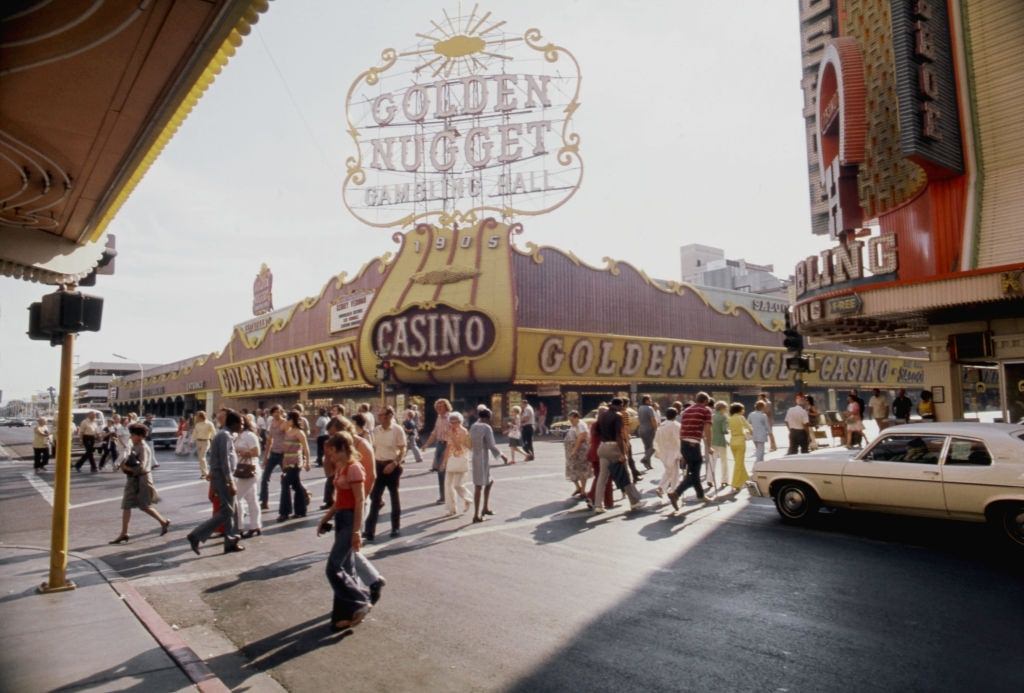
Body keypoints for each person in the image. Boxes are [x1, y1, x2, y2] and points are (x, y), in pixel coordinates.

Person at [317, 432, 374, 630]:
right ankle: (343, 616)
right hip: (341, 517)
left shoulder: (354, 468)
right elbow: (338, 500)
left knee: (333, 567)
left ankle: (361, 599)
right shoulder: (341, 468)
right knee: (346, 568)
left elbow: (359, 501)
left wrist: (357, 531)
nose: (329, 456)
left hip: (350, 519)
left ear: (341, 449)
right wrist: (325, 518)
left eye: (331, 451)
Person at [187, 410, 244, 554]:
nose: (242, 426)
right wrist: (230, 481)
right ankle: (196, 535)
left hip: (222, 477)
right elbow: (224, 461)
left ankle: (231, 541)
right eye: (241, 423)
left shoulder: (227, 435)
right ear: (234, 423)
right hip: (224, 478)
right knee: (227, 512)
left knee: (233, 510)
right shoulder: (224, 436)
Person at [109, 423, 170, 544]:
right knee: (126, 505)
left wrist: (125, 467)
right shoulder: (134, 444)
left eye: (133, 434)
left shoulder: (143, 447)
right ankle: (124, 533)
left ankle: (163, 521)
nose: (131, 436)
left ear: (140, 436)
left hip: (143, 479)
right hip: (132, 479)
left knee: (144, 505)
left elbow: (141, 467)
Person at [593, 398, 645, 513]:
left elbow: (597, 431)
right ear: (619, 405)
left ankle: (598, 505)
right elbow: (619, 436)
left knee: (602, 478)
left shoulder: (602, 415)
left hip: (602, 447)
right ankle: (634, 502)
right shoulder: (618, 416)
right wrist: (623, 453)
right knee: (625, 474)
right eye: (622, 406)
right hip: (614, 447)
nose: (623, 408)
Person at [366, 406, 406, 538]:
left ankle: (395, 528)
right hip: (378, 466)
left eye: (382, 415)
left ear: (389, 416)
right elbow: (373, 448)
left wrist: (394, 463)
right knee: (375, 498)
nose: (379, 417)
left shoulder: (397, 430)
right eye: (379, 415)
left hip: (392, 467)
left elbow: (402, 449)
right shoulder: (376, 430)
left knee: (394, 497)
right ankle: (370, 530)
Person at [667, 392, 713, 509]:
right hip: (693, 444)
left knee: (693, 472)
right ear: (706, 401)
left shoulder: (686, 410)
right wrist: (709, 446)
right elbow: (707, 429)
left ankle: (701, 495)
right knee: (693, 473)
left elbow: (685, 427)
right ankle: (676, 493)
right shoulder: (706, 410)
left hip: (684, 443)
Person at [469, 408, 506, 522]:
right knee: (479, 486)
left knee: (489, 482)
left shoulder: (473, 426)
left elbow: (470, 441)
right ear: (487, 418)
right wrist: (502, 455)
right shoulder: (486, 427)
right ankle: (476, 515)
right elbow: (491, 445)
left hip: (475, 456)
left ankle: (485, 508)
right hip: (483, 458)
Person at [278, 410, 312, 521]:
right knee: (296, 486)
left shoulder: (299, 432)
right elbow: (281, 428)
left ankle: (285, 512)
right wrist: (283, 461)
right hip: (287, 461)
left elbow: (306, 449)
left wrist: (307, 462)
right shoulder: (288, 431)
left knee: (285, 483)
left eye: (288, 419)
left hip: (295, 463)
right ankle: (301, 510)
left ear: (293, 420)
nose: (286, 421)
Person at [234, 414, 263, 539]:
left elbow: (257, 452)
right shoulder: (237, 436)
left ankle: (239, 526)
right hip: (242, 469)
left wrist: (244, 453)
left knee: (236, 497)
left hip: (250, 470)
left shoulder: (249, 435)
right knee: (251, 498)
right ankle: (255, 526)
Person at [441, 412, 473, 516]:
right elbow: (448, 447)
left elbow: (459, 447)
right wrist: (443, 462)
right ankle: (452, 509)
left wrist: (452, 435)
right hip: (451, 459)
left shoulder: (464, 431)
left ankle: (468, 498)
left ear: (460, 421)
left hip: (461, 459)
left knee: (458, 485)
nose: (454, 424)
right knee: (448, 485)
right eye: (451, 422)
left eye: (456, 422)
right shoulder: (450, 431)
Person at [423, 398, 453, 504]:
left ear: (446, 407)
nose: (438, 408)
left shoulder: (451, 418)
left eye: (441, 406)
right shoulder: (439, 418)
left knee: (445, 471)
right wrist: (426, 444)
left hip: (448, 445)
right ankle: (443, 496)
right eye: (437, 406)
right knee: (440, 472)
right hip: (440, 445)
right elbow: (435, 432)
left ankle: (447, 496)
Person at [260, 405, 287, 511]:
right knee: (265, 478)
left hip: (284, 454)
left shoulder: (285, 423)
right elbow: (269, 440)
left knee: (289, 478)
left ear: (281, 412)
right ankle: (264, 501)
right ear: (272, 413)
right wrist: (265, 457)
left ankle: (304, 493)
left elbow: (289, 438)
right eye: (274, 412)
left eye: (278, 411)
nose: (277, 413)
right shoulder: (272, 424)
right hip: (274, 453)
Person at [653, 407, 681, 499]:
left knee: (669, 471)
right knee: (675, 474)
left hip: (663, 452)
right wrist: (681, 453)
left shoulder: (661, 425)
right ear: (675, 415)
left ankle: (663, 489)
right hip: (673, 452)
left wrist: (658, 451)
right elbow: (679, 440)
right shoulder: (676, 425)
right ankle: (671, 491)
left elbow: (656, 440)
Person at [563, 411, 592, 499]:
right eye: (569, 420)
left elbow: (580, 438)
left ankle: (583, 490)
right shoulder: (574, 425)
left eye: (572, 419)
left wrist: (574, 450)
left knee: (582, 471)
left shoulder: (581, 425)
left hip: (580, 452)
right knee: (572, 469)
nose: (571, 421)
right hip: (572, 452)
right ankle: (578, 487)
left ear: (577, 417)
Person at [727, 403, 753, 489]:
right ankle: (736, 483)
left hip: (732, 441)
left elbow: (727, 429)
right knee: (739, 463)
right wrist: (750, 433)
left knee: (739, 462)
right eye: (742, 409)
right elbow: (750, 427)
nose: (744, 411)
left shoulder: (730, 418)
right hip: (740, 441)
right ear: (739, 410)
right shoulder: (741, 417)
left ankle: (744, 479)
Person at [709, 400, 729, 493]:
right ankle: (724, 480)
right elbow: (724, 430)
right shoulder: (723, 417)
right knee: (724, 461)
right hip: (721, 441)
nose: (726, 409)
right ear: (722, 408)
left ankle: (709, 479)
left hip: (712, 441)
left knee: (712, 461)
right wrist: (728, 430)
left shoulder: (712, 416)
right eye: (725, 408)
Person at [192, 410, 216, 480]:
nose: (196, 418)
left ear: (201, 416)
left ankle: (205, 473)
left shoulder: (209, 424)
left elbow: (213, 433)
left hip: (206, 441)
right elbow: (195, 433)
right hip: (198, 441)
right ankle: (203, 473)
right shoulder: (197, 424)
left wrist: (214, 441)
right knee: (200, 458)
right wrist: (192, 441)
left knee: (202, 457)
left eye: (198, 416)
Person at [637, 395, 658, 470]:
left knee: (647, 447)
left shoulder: (640, 408)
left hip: (641, 429)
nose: (651, 401)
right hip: (649, 430)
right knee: (655, 446)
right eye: (650, 400)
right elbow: (653, 420)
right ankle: (645, 459)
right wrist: (656, 429)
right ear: (646, 400)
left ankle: (648, 464)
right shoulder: (650, 408)